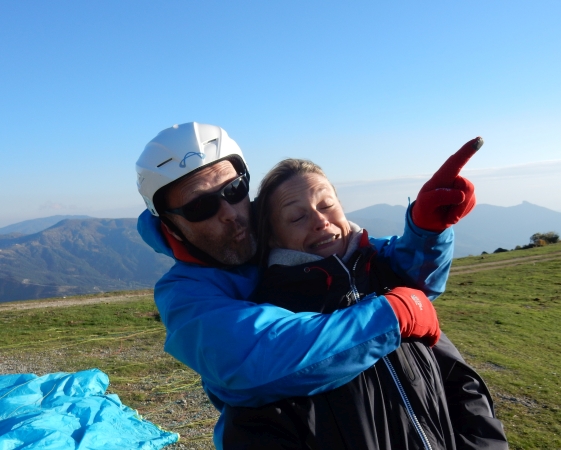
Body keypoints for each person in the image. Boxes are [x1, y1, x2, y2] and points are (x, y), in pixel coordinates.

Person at [135, 123, 480, 447]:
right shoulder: (185, 293)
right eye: (200, 206)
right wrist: (389, 316)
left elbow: (390, 270)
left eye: (234, 189)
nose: (230, 212)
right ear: (170, 224)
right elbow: (255, 357)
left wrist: (426, 233)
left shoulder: (278, 235)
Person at [220, 159, 508, 449]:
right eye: (297, 217)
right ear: (271, 236)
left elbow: (459, 382)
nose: (321, 221)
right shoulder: (268, 321)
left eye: (327, 205)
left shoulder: (389, 278)